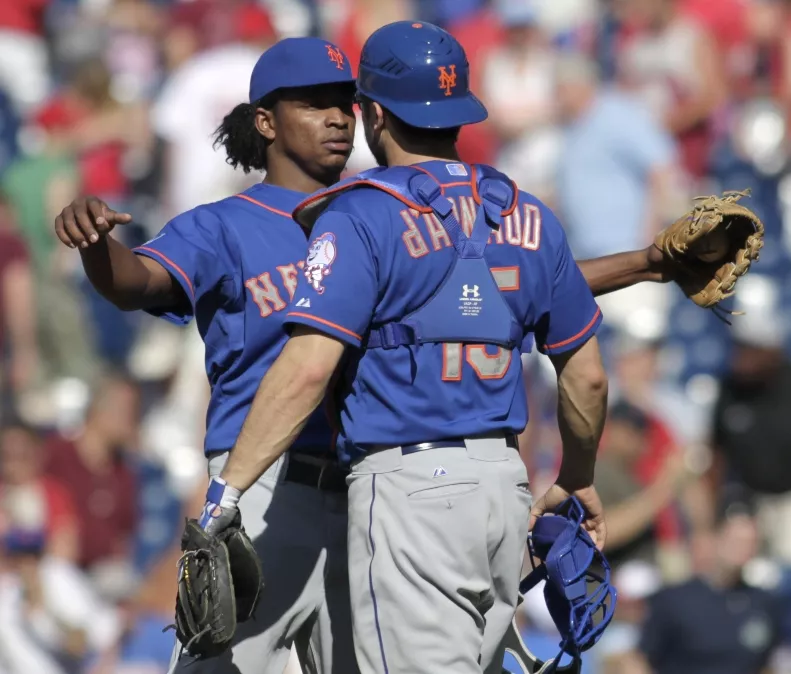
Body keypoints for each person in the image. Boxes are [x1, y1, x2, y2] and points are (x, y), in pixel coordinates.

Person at [210, 21, 609, 674]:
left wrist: (226, 494)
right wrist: (577, 476)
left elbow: (307, 369)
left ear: (373, 113)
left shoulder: (360, 214)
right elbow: (586, 377)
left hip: (411, 490)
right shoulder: (529, 215)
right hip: (504, 488)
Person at [53, 37, 359, 674]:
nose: (337, 118)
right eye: (314, 103)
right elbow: (136, 282)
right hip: (264, 491)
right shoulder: (223, 225)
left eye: (344, 103)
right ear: (266, 121)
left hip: (368, 492)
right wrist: (96, 245)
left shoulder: (377, 217)